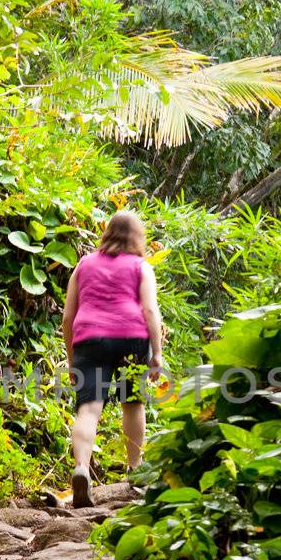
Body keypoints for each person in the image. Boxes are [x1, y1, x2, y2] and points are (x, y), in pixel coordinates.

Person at [60, 208, 163, 509]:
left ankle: (81, 467)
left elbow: (68, 317)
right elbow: (150, 311)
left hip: (89, 339)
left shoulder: (83, 265)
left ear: (106, 233)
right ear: (137, 238)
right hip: (132, 338)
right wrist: (156, 353)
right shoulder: (141, 266)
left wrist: (71, 359)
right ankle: (135, 469)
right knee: (133, 404)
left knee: (89, 409)